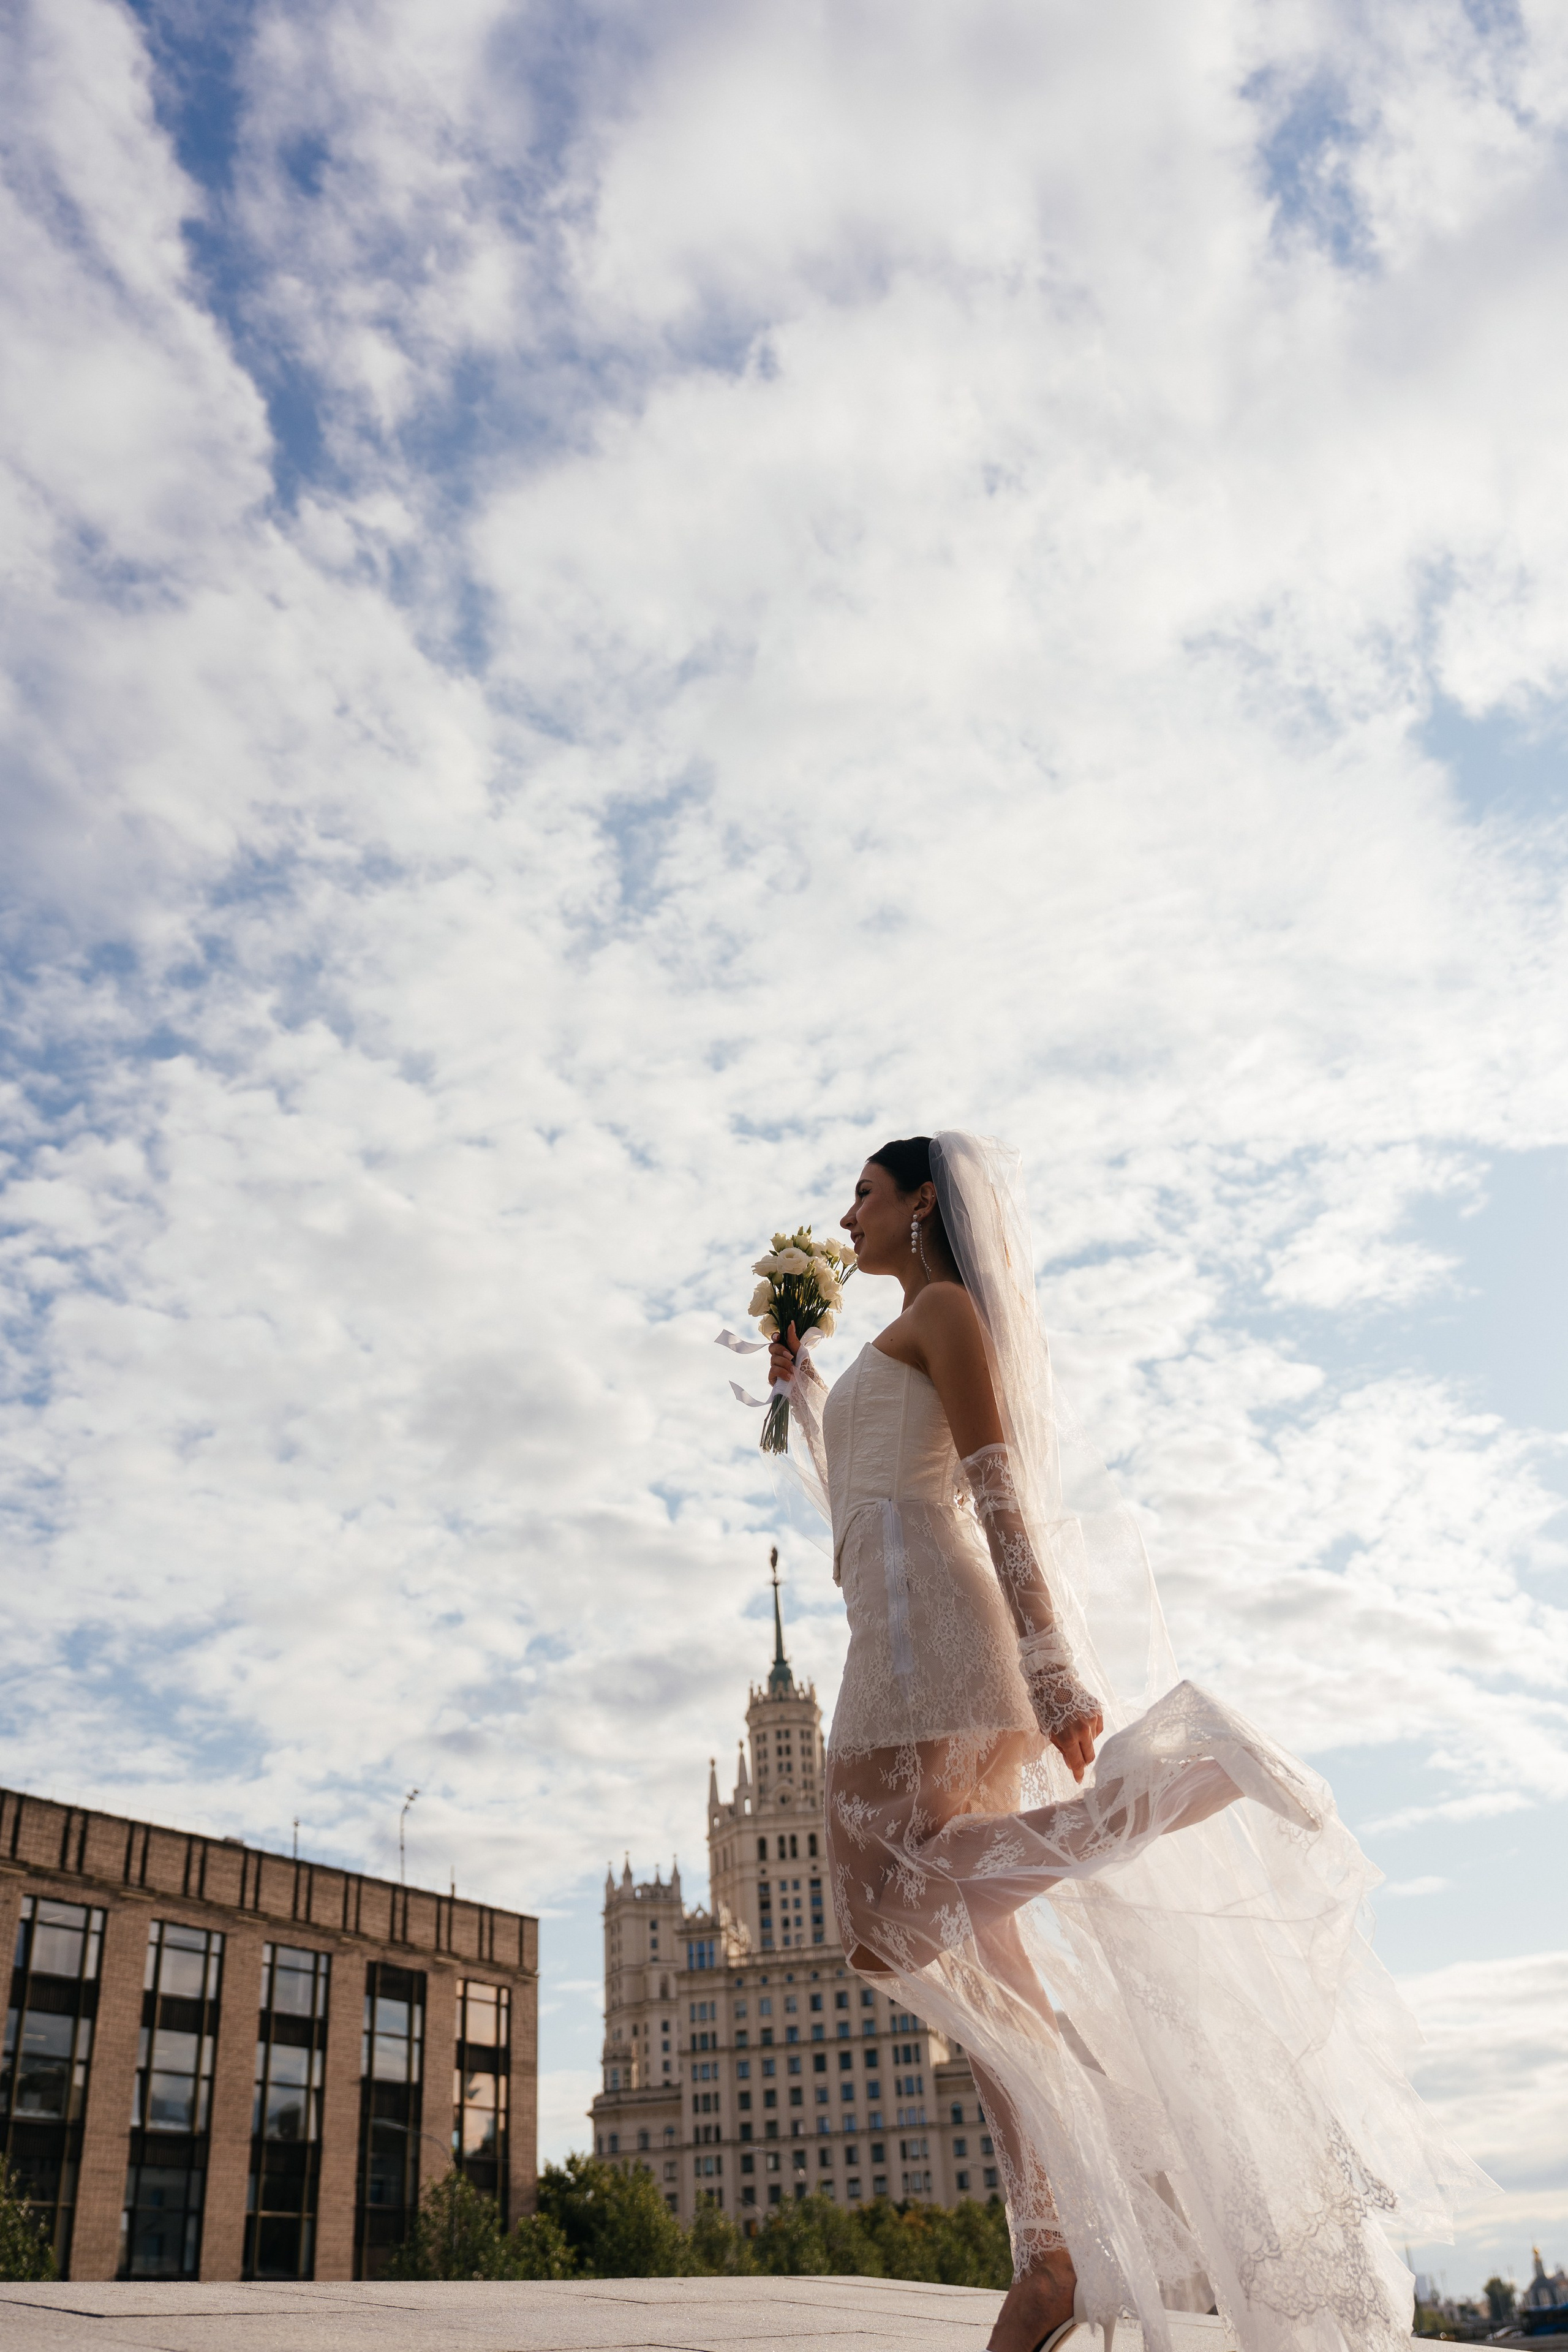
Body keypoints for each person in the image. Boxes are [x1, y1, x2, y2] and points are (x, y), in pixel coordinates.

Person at [765, 1133, 1488, 2352]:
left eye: (864, 1195)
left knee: (885, 1931)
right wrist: (798, 1382)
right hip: (896, 1628)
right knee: (987, 1975)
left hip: (925, 1646)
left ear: (921, 1203)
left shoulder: (945, 1310)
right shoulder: (899, 1331)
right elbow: (866, 1492)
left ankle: (1161, 1786)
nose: (846, 1217)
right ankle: (1047, 2252)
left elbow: (991, 1482)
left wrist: (1050, 1669)